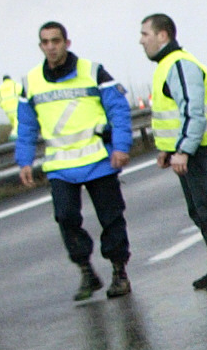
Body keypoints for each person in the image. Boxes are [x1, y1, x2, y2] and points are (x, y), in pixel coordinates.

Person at [16, 21, 136, 299]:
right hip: (60, 166)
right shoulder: (30, 82)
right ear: (40, 46)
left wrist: (120, 146)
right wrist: (24, 161)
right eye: (45, 42)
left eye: (55, 41)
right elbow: (25, 126)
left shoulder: (93, 72)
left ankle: (119, 272)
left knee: (111, 218)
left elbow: (118, 109)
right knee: (66, 218)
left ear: (67, 43)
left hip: (99, 160)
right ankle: (86, 270)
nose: (51, 47)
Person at [140, 13, 207, 291]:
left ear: (163, 35)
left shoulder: (180, 65)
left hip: (199, 149)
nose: (141, 41)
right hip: (188, 149)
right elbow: (172, 114)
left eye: (145, 35)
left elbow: (193, 113)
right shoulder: (166, 66)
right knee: (200, 211)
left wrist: (183, 150)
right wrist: (165, 149)